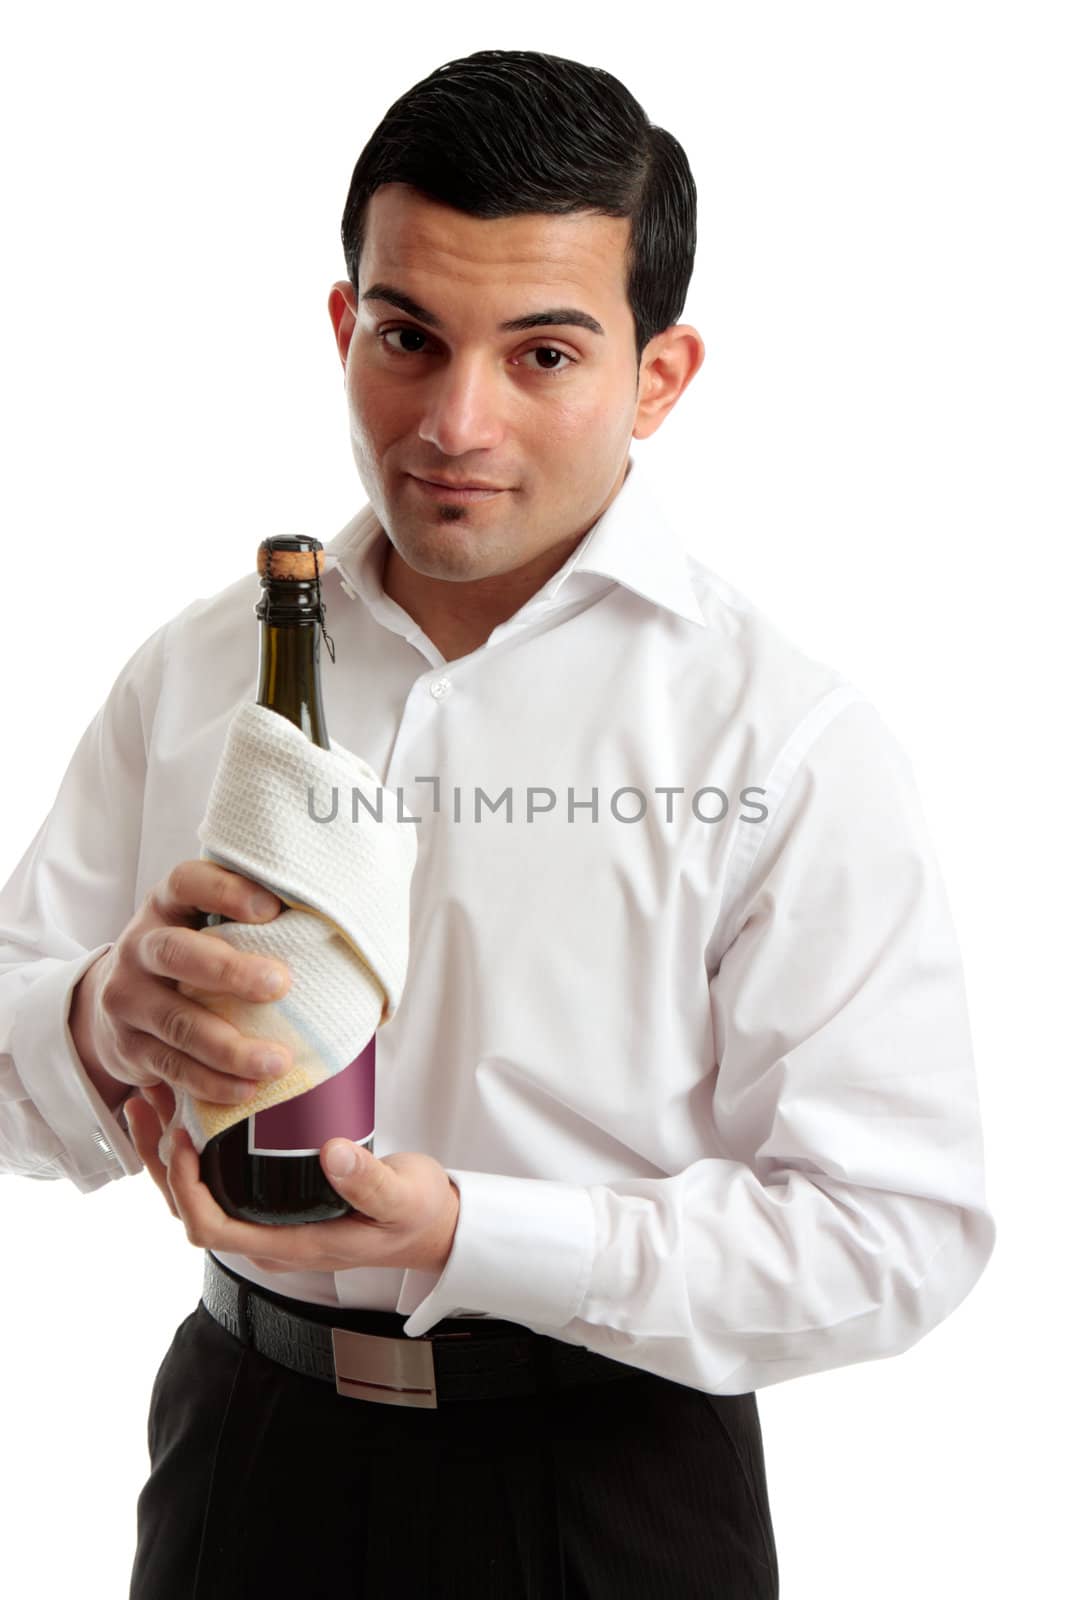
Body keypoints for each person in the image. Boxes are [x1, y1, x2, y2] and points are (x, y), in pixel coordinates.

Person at [0, 48, 995, 1600]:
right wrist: (96, 1016)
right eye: (409, 337)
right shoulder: (198, 673)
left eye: (542, 355)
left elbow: (897, 1234)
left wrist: (479, 1233)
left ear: (658, 376)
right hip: (240, 1469)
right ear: (345, 327)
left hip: (608, 1496)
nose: (454, 421)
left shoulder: (783, 738)